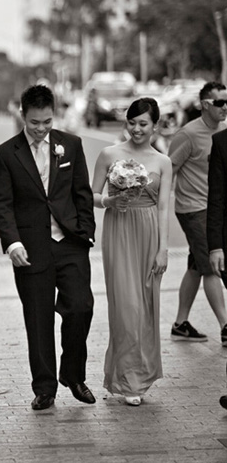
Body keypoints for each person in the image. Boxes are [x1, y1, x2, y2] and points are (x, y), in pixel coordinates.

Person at [0, 84, 96, 411]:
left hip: (70, 243)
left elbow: (82, 192)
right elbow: (2, 204)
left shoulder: (71, 145)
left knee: (81, 307)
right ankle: (45, 387)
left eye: (47, 122)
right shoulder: (6, 154)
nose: (41, 129)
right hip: (30, 247)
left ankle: (73, 374)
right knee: (38, 319)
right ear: (23, 115)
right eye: (35, 122)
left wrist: (86, 233)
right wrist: (11, 243)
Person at [91, 98, 171, 406]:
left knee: (145, 309)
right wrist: (109, 202)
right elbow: (91, 195)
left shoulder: (163, 162)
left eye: (143, 124)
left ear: (155, 126)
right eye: (132, 123)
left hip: (149, 233)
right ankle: (127, 380)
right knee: (126, 309)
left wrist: (163, 249)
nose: (137, 129)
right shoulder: (109, 154)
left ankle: (139, 376)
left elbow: (163, 207)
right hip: (119, 230)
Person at [168, 81, 227, 344]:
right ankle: (226, 327)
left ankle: (181, 323)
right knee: (212, 267)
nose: (225, 108)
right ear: (204, 105)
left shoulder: (224, 131)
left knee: (196, 264)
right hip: (193, 208)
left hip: (215, 209)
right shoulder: (188, 134)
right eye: (220, 103)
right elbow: (169, 169)